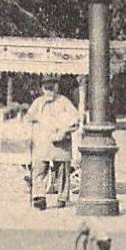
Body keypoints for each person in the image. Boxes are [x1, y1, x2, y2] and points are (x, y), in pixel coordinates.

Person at [27, 77, 79, 208]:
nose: (49, 91)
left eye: (51, 88)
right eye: (46, 88)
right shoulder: (38, 103)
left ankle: (62, 197)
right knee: (39, 169)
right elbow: (28, 117)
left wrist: (64, 131)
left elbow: (75, 120)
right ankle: (39, 197)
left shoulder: (64, 102)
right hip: (42, 141)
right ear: (42, 89)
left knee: (62, 169)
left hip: (61, 142)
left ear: (57, 87)